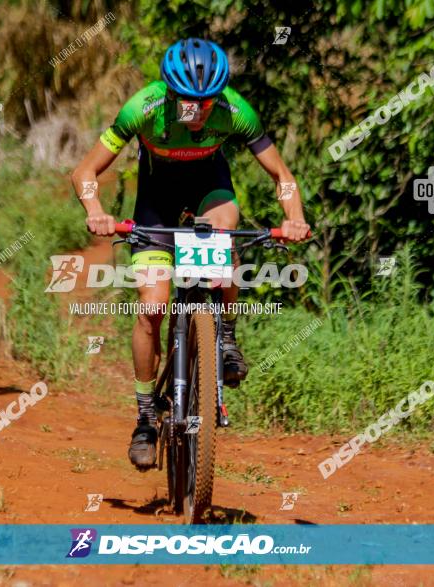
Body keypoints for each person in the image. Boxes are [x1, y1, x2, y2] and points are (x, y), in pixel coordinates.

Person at [71, 38, 309, 469]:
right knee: (153, 306)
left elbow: (282, 175)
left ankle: (228, 337)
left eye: (207, 102)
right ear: (169, 93)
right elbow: (85, 172)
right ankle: (145, 417)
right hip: (156, 197)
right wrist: (96, 211)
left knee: (225, 232)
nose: (198, 111)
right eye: (188, 101)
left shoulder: (235, 110)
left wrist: (294, 216)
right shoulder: (142, 109)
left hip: (208, 185)